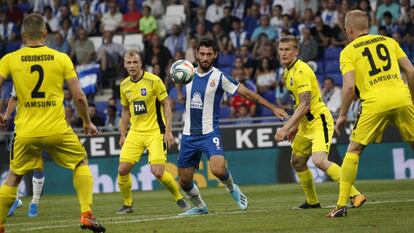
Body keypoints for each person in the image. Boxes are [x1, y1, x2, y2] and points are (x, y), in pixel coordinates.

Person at [0, 13, 105, 233]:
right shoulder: (61, 58)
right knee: (80, 162)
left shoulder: (9, 59)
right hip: (57, 128)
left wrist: (2, 114)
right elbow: (79, 97)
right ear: (45, 33)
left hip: (25, 131)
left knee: (14, 175)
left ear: (22, 34)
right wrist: (87, 122)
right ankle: (86, 214)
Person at [178, 38, 288, 215]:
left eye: (209, 54)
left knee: (218, 169)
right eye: (202, 54)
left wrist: (273, 107)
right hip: (188, 134)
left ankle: (232, 188)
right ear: (196, 54)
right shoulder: (186, 73)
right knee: (184, 181)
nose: (205, 57)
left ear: (215, 55)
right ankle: (200, 207)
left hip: (209, 132)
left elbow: (248, 93)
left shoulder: (219, 77)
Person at [327, 10, 414, 218]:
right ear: (369, 26)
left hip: (374, 103)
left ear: (348, 30)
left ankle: (340, 205)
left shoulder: (348, 52)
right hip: (402, 98)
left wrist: (342, 114)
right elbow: (410, 71)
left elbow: (348, 87)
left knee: (354, 150)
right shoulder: (389, 41)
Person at [274, 35, 366, 210]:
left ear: (296, 51)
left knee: (319, 160)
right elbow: (299, 105)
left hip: (319, 121)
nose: (283, 53)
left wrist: (286, 127)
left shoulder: (301, 71)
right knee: (298, 161)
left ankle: (356, 194)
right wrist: (295, 126)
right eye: (281, 49)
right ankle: (312, 201)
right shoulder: (287, 72)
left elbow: (306, 105)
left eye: (287, 49)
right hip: (305, 124)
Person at [116, 49, 191, 215]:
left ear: (141, 63)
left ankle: (179, 198)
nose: (132, 66)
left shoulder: (153, 80)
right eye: (129, 63)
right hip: (135, 132)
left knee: (157, 172)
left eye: (135, 62)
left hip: (156, 131)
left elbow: (166, 103)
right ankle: (128, 204)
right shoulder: (124, 85)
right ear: (124, 65)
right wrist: (122, 134)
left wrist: (168, 131)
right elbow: (125, 110)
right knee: (122, 170)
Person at [1, 86, 45, 218]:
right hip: (21, 128)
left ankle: (34, 203)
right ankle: (15, 200)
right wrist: (6, 117)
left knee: (38, 165)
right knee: (15, 166)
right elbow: (14, 98)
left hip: (41, 126)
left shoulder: (48, 73)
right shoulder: (19, 73)